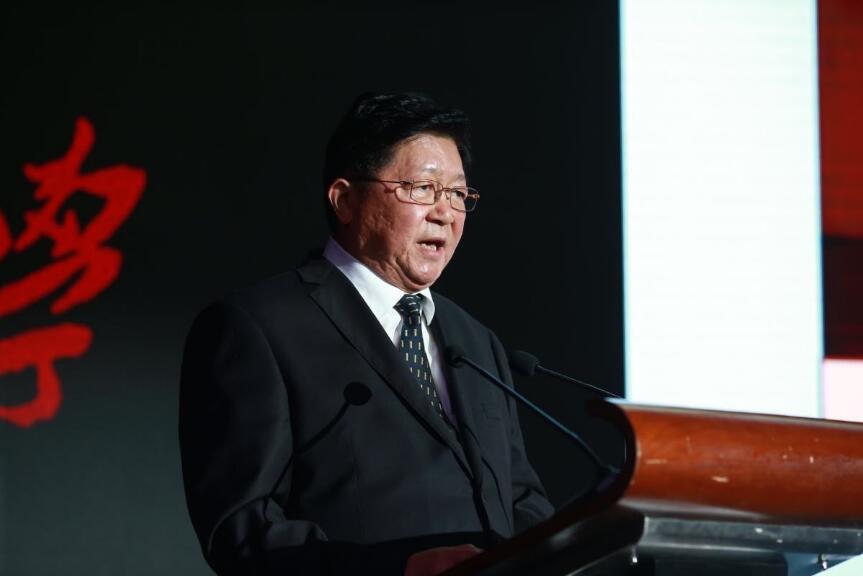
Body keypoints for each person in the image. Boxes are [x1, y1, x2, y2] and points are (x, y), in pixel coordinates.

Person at [179, 92, 554, 575]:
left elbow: (521, 499)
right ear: (345, 200)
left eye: (458, 194)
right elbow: (242, 529)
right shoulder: (258, 328)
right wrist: (398, 569)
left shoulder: (477, 342)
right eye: (423, 188)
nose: (445, 212)